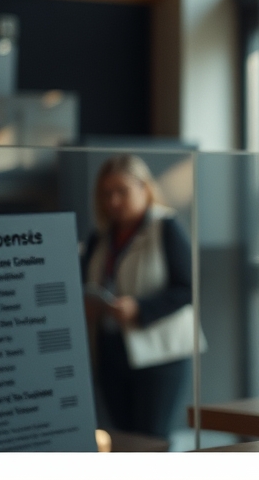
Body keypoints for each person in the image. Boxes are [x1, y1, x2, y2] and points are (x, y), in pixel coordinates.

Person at [81, 154, 194, 440]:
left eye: (122, 191)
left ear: (144, 188)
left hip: (158, 354)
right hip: (110, 350)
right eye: (106, 194)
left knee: (151, 441)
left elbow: (188, 289)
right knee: (121, 439)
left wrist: (139, 308)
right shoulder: (100, 237)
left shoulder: (166, 227)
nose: (113, 201)